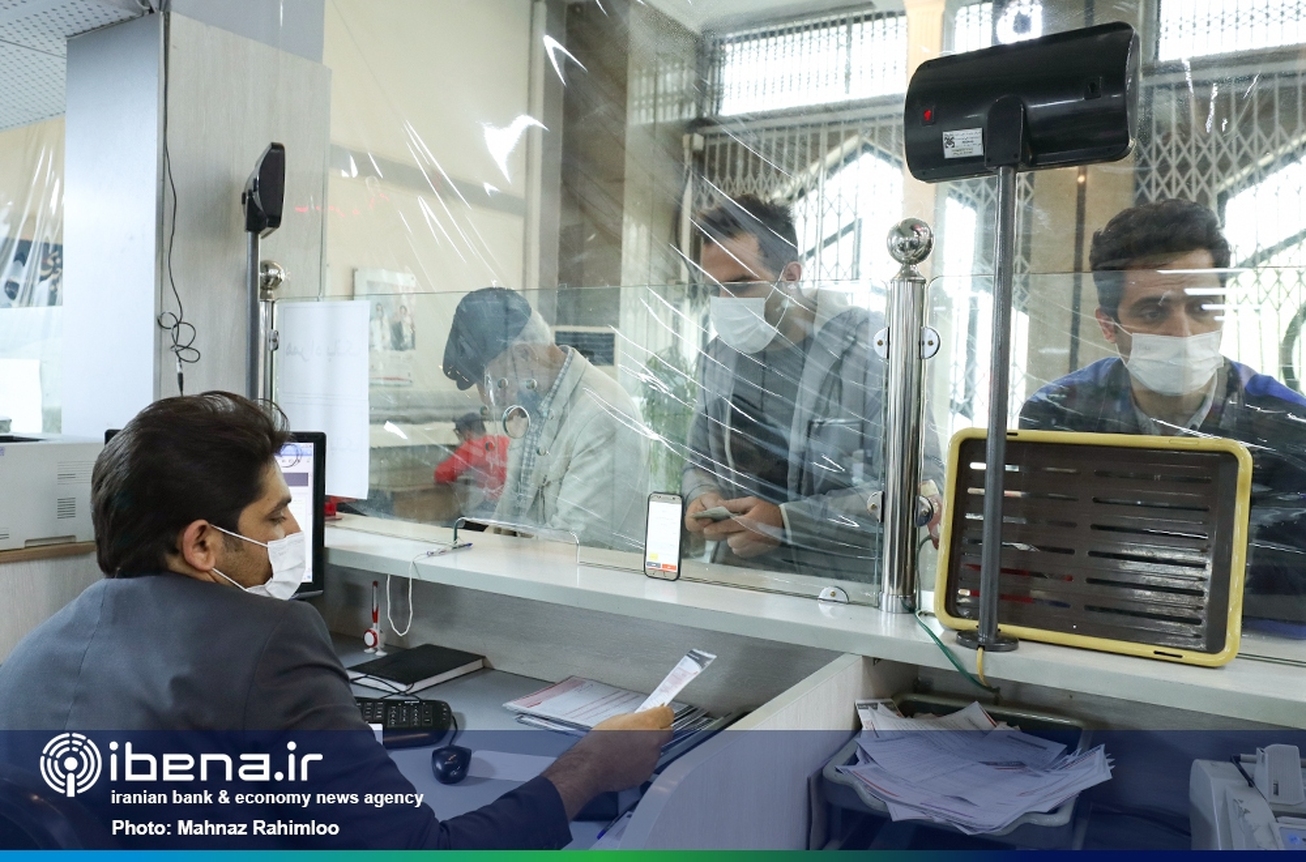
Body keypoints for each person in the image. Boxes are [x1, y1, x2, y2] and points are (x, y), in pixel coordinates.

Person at [0, 392, 672, 848]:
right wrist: (588, 767)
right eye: (274, 516)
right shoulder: (271, 642)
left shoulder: (33, 655)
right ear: (201, 544)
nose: (296, 530)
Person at [1019, 198, 1306, 629]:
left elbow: (1290, 599)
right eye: (1153, 312)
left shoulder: (1286, 426)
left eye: (1202, 307)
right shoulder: (1059, 417)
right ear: (1108, 325)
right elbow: (1053, 574)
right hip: (1094, 643)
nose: (1182, 332)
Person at [681, 195, 941, 583]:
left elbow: (921, 484)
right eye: (714, 288)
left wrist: (787, 522)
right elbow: (699, 461)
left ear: (791, 275)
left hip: (843, 589)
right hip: (740, 582)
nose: (724, 302)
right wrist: (701, 496)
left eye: (740, 285)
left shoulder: (872, 349)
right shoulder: (719, 356)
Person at [442, 288, 649, 551]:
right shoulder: (532, 411)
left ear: (525, 355)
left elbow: (571, 546)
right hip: (535, 573)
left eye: (492, 383)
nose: (488, 400)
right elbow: (509, 519)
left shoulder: (603, 415)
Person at [435, 412, 509, 514]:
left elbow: (441, 475)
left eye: (459, 435)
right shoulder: (504, 441)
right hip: (509, 502)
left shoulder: (472, 447)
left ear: (467, 434)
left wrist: (461, 448)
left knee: (454, 521)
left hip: (493, 505)